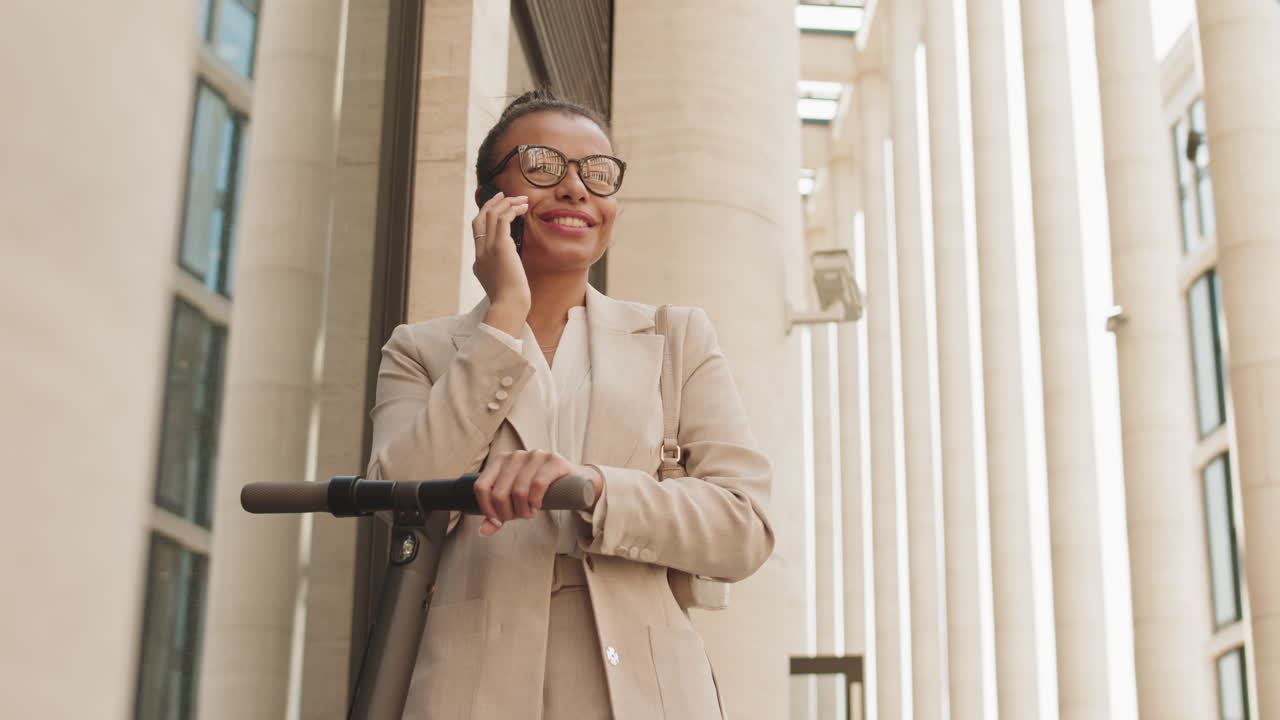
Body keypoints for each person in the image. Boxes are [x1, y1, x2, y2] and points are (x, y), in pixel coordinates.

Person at [366, 89, 774, 720]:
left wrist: (596, 488)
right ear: (489, 200)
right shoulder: (421, 350)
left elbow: (743, 529)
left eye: (597, 173)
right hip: (472, 694)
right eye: (543, 165)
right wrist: (504, 316)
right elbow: (399, 497)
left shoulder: (677, 339)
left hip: (649, 697)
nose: (575, 188)